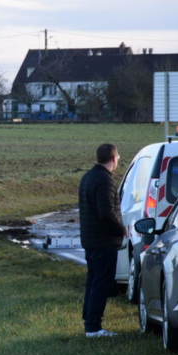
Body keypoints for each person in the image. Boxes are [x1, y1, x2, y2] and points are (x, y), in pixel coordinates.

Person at [79, 143, 126, 338]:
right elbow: (106, 213)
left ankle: (89, 321)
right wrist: (122, 230)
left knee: (92, 281)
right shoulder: (105, 181)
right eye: (118, 158)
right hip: (103, 241)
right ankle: (94, 327)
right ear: (113, 159)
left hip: (90, 239)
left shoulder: (88, 177)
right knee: (101, 283)